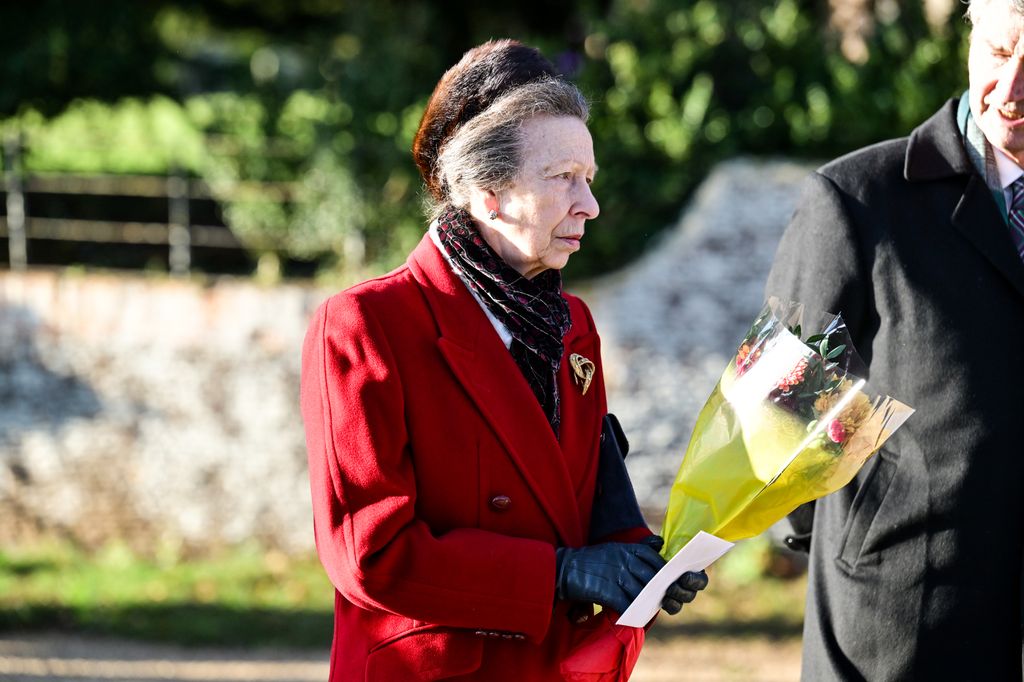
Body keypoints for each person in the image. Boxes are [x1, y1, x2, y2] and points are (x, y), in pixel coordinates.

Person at [301, 40, 708, 682]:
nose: (590, 206)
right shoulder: (366, 324)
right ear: (489, 192)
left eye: (589, 179)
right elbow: (369, 555)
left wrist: (641, 566)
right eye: (563, 178)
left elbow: (587, 499)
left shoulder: (572, 325)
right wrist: (562, 573)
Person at [765, 1, 1024, 678]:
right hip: (899, 629)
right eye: (999, 54)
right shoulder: (858, 200)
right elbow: (776, 422)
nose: (1013, 89)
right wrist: (868, 544)